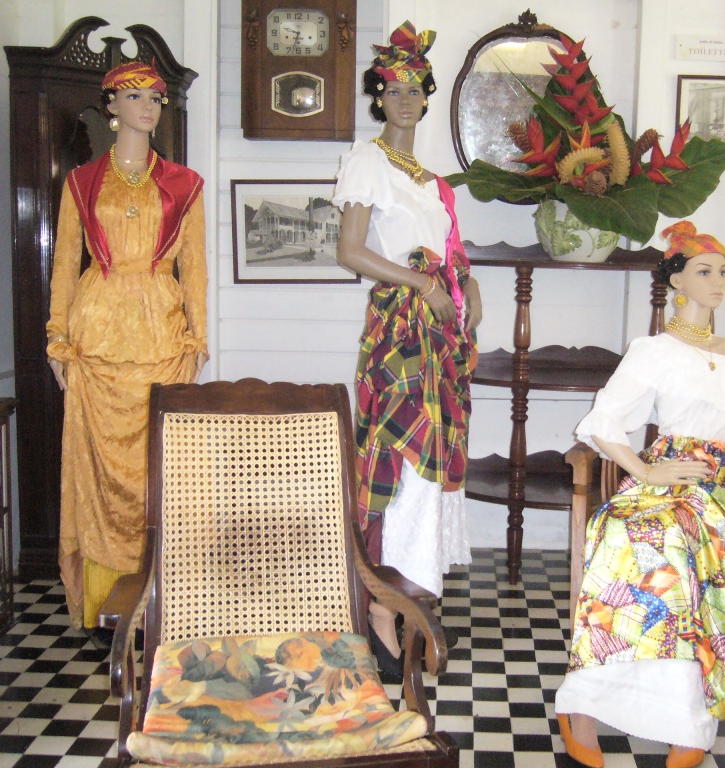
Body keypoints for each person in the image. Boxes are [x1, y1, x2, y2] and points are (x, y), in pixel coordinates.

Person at [554, 220, 725, 768]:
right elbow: (604, 420)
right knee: (627, 531)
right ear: (677, 281)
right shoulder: (653, 350)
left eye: (723, 271)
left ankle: (685, 715)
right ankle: (584, 704)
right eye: (705, 271)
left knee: (681, 536)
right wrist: (644, 469)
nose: (719, 282)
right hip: (670, 476)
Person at [333, 21, 482, 681]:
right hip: (399, 333)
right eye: (393, 89)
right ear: (379, 96)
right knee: (398, 458)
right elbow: (350, 251)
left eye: (415, 89)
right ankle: (381, 607)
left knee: (435, 461)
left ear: (426, 97)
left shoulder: (435, 183)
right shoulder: (367, 162)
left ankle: (415, 593)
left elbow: (454, 254)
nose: (405, 99)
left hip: (442, 338)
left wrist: (468, 285)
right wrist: (423, 283)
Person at [46, 60, 208, 646]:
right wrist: (57, 341)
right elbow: (65, 264)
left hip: (162, 339)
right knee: (97, 472)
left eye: (156, 98)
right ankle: (105, 604)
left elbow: (195, 270)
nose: (148, 107)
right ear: (111, 105)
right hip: (96, 342)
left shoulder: (185, 184)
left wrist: (198, 340)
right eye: (135, 96)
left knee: (163, 475)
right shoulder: (81, 182)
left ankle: (163, 602)